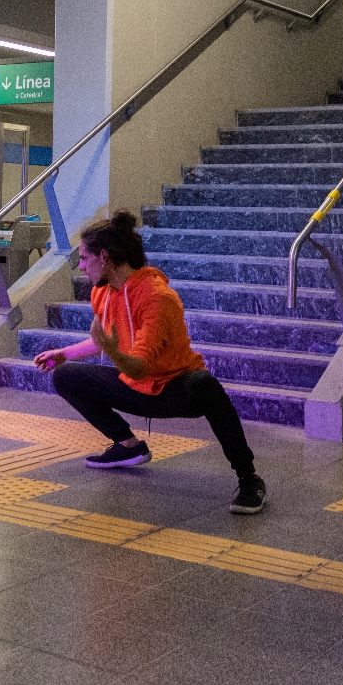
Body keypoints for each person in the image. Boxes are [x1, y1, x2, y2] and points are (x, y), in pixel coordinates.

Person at [34, 211, 269, 513]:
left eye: (83, 258)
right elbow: (107, 341)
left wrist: (112, 351)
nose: (80, 266)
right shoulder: (102, 293)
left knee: (205, 384)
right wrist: (63, 354)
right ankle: (128, 446)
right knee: (65, 375)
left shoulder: (157, 297)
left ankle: (250, 479)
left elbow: (137, 365)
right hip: (134, 387)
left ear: (104, 256)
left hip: (173, 391)